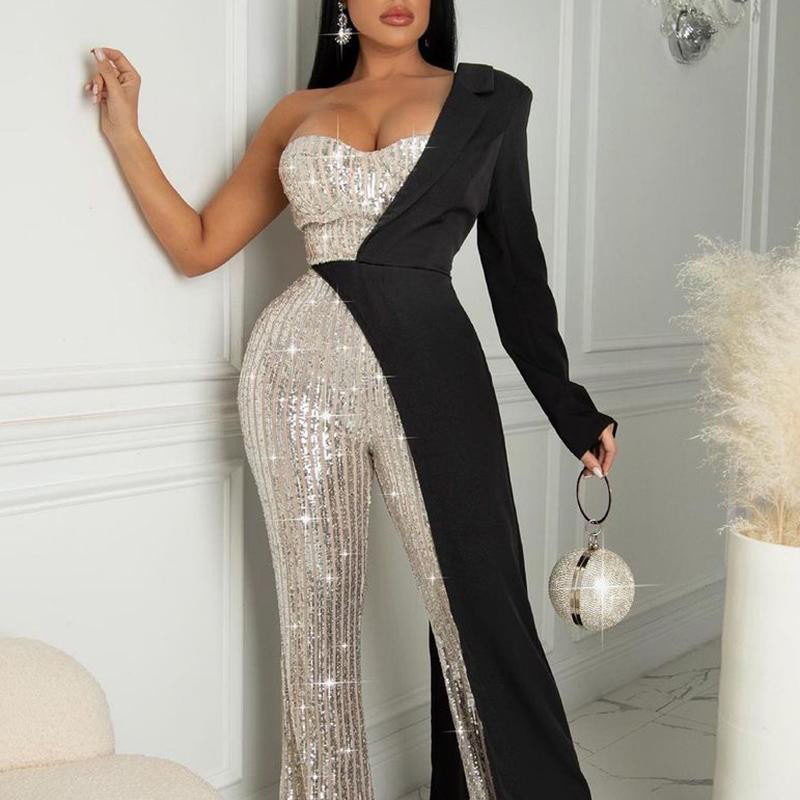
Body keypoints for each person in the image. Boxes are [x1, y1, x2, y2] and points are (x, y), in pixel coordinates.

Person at [85, 1, 618, 797]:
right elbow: (198, 245)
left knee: (480, 606)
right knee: (317, 635)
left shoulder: (489, 101)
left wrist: (572, 411)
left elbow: (516, 276)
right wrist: (126, 131)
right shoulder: (294, 113)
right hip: (292, 377)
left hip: (434, 369)